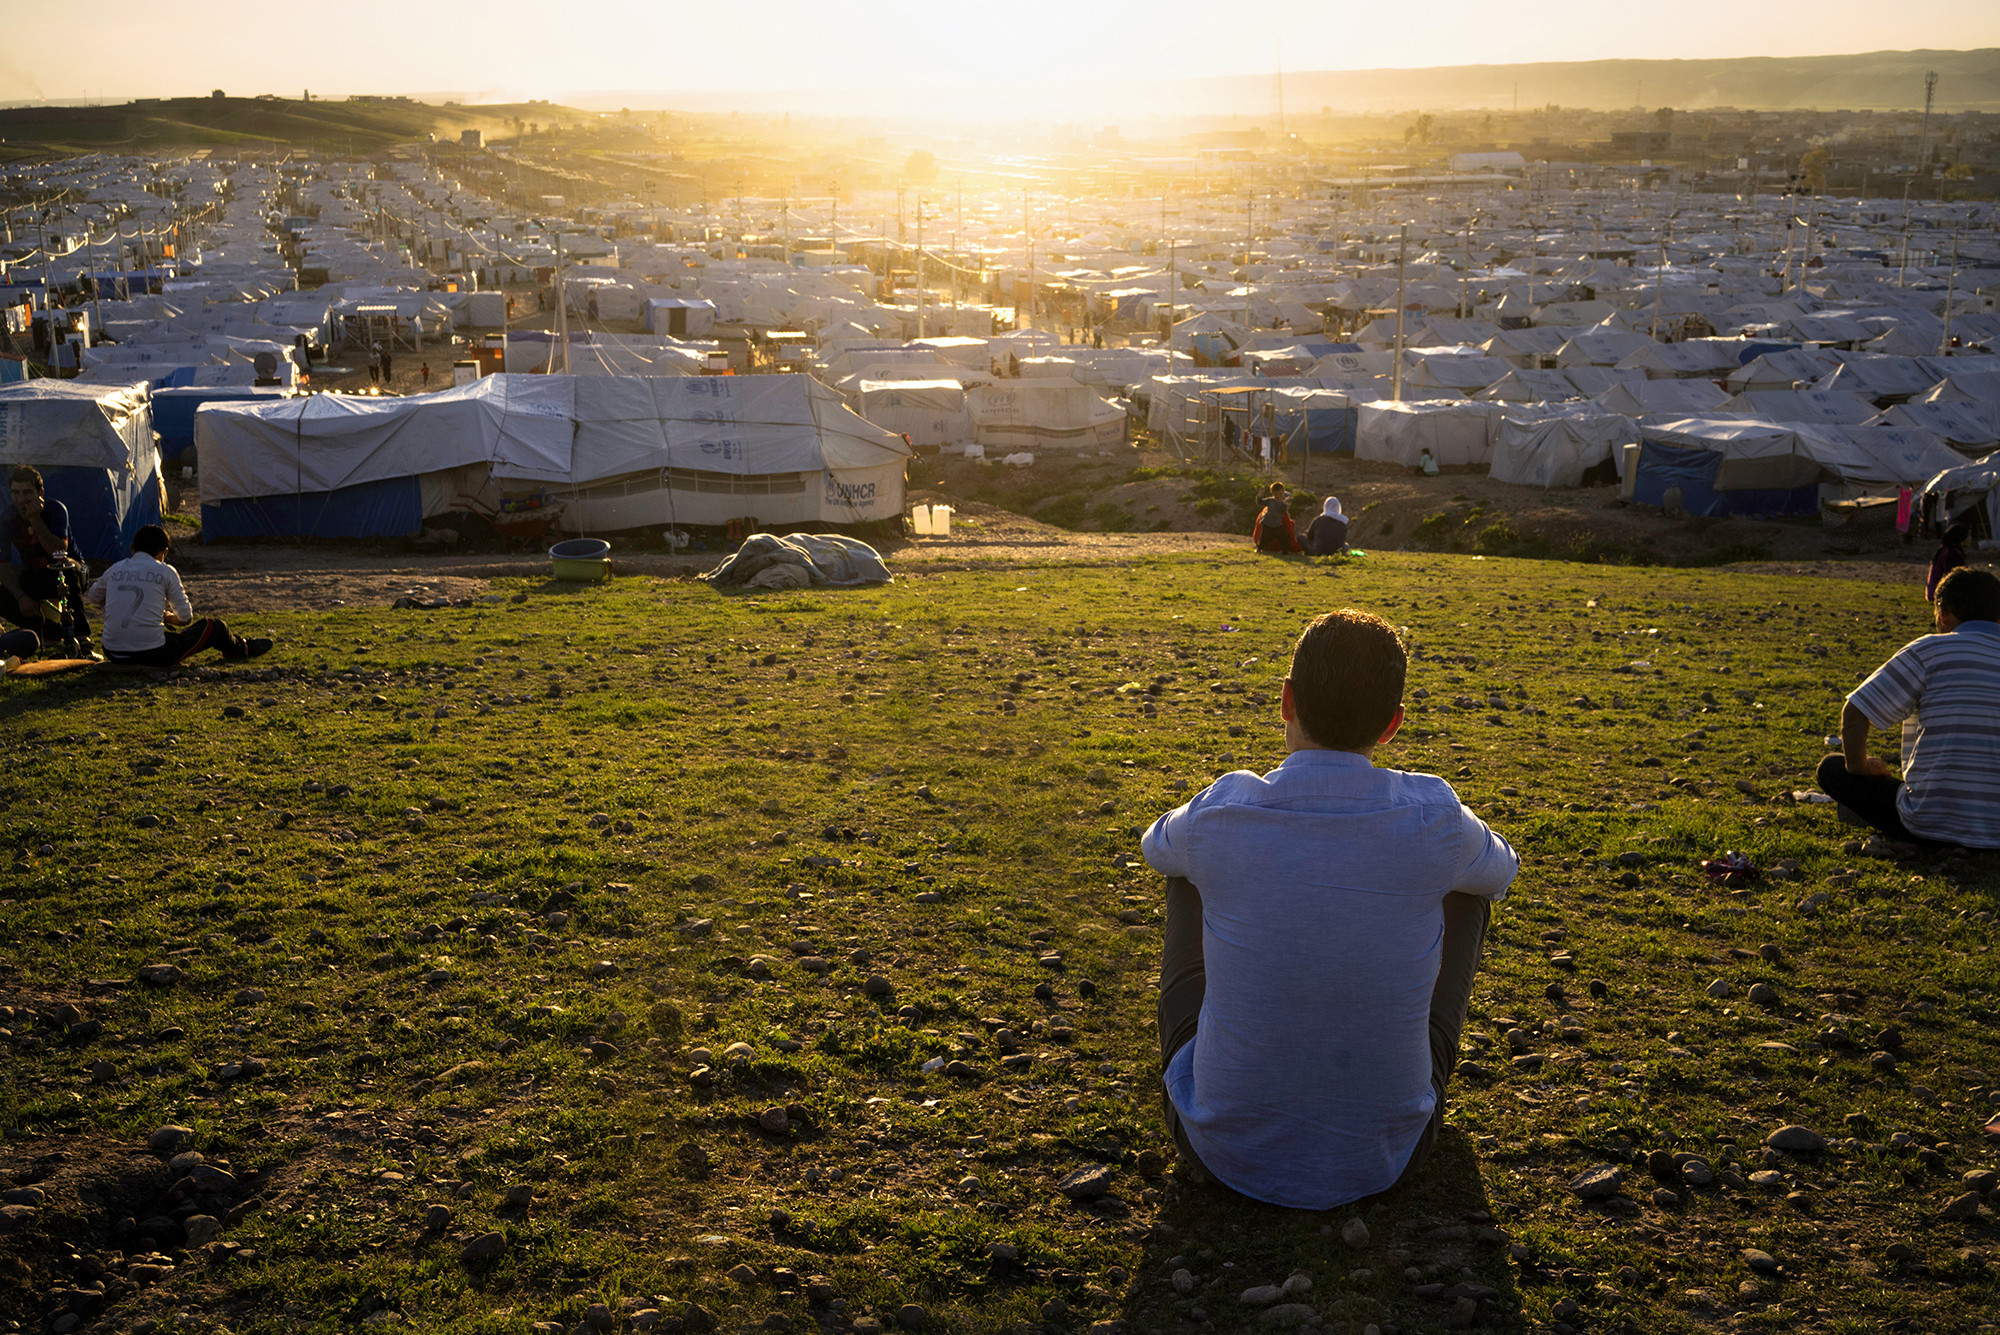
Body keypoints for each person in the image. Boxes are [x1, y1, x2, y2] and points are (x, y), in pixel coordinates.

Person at [1142, 610, 1519, 1208]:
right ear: (1392, 724)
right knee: (1469, 889)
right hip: (1388, 1155)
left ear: (1286, 700)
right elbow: (1503, 869)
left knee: (1185, 867)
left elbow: (1154, 845)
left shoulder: (1223, 809)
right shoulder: (1436, 817)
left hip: (1218, 1147)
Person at [1815, 567, 2000, 849]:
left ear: (1943, 613)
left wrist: (1860, 766)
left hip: (1928, 825)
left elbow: (1856, 711)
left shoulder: (1929, 650)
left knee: (1831, 767)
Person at [86, 525, 273, 668]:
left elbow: (93, 597)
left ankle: (239, 646)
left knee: (162, 634)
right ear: (164, 552)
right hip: (152, 654)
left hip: (113, 652)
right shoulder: (165, 571)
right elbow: (185, 618)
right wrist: (168, 617)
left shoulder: (115, 569)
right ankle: (241, 648)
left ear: (132, 549)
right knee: (214, 626)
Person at [1, 465, 95, 654]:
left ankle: (81, 636)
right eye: (16, 493)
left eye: (27, 492)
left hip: (75, 571)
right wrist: (21, 597)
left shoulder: (55, 509)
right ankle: (50, 631)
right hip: (36, 573)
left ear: (40, 493)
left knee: (64, 566)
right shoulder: (7, 518)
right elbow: (3, 567)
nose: (21, 499)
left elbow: (58, 551)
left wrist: (35, 519)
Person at [1928, 523, 1969, 603]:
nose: (1970, 538)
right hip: (1942, 593)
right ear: (1962, 539)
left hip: (1936, 591)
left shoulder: (1944, 550)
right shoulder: (1953, 554)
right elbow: (1953, 577)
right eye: (1968, 536)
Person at [1252, 484, 1298, 554]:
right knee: (1264, 538)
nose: (1278, 496)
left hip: (1277, 524)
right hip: (1267, 524)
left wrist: (1285, 503)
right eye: (1276, 494)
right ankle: (1259, 548)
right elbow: (1260, 502)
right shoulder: (1270, 500)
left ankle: (1285, 551)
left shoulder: (1282, 502)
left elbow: (1283, 510)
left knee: (1285, 535)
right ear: (1272, 493)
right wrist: (1260, 494)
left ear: (1283, 492)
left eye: (1280, 493)